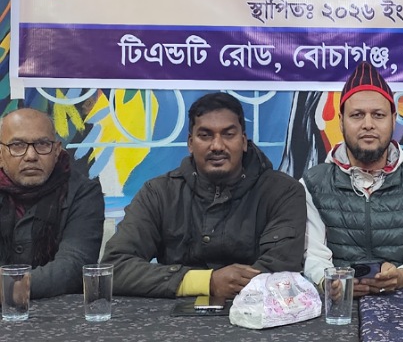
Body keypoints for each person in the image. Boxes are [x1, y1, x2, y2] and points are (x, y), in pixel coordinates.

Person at [102, 92, 306, 299]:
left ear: (244, 141)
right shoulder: (159, 193)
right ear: (190, 143)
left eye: (228, 134)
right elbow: (114, 268)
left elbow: (280, 274)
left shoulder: (283, 192)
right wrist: (206, 282)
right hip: (171, 315)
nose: (217, 146)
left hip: (257, 313)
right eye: (205, 135)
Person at [302, 62, 403, 297]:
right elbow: (313, 257)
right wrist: (330, 282)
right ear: (341, 121)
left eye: (378, 115)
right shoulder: (312, 185)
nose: (368, 124)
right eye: (357, 115)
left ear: (393, 119)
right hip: (337, 307)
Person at [0, 108, 104, 298]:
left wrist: (9, 288)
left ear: (56, 151)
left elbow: (74, 266)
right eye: (17, 145)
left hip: (61, 311)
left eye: (42, 144)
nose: (31, 156)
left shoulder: (83, 192)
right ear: (0, 153)